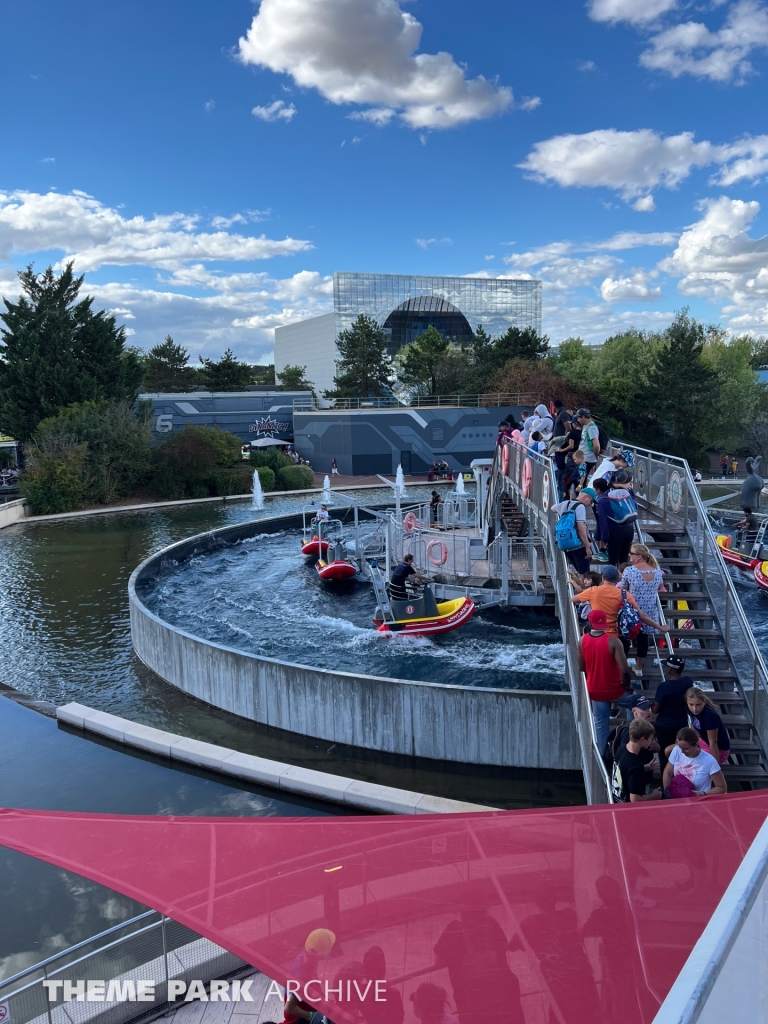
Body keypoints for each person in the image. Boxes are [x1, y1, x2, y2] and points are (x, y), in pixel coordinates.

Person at [577, 608, 638, 754]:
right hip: (615, 689)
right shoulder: (614, 642)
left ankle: (601, 757)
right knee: (637, 702)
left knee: (600, 724)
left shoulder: (582, 641)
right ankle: (629, 735)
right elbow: (625, 669)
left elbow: (581, 667)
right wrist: (627, 685)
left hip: (595, 690)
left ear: (590, 623)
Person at [572, 564, 668, 642]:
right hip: (617, 636)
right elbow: (642, 616)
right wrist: (660, 627)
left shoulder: (593, 590)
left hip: (597, 634)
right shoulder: (624, 594)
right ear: (617, 579)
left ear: (603, 578)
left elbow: (573, 599)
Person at [620, 543, 666, 676]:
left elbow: (623, 590)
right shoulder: (657, 570)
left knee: (625, 637)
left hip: (632, 610)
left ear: (639, 557)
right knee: (643, 639)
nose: (629, 555)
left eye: (632, 553)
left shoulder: (630, 571)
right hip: (650, 610)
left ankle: (622, 667)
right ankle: (639, 667)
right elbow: (660, 586)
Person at [652, 655, 695, 774]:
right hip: (681, 725)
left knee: (664, 757)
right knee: (679, 755)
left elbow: (656, 710)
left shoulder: (663, 686)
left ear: (670, 669)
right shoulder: (688, 682)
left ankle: (665, 785)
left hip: (664, 727)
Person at [663, 727, 727, 797]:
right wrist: (667, 791)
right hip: (678, 799)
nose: (682, 751)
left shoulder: (709, 760)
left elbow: (722, 788)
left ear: (696, 744)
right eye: (680, 747)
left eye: (686, 749)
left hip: (698, 801)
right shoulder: (677, 750)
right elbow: (668, 773)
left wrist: (703, 793)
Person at [593, 469, 638, 567]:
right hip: (629, 529)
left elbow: (603, 522)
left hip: (614, 531)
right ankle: (624, 581)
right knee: (624, 560)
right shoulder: (627, 493)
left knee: (613, 561)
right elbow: (635, 507)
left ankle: (613, 581)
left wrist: (604, 538)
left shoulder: (602, 499)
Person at [611, 719, 663, 803]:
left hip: (617, 802)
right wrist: (654, 796)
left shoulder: (621, 749)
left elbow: (625, 770)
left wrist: (646, 767)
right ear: (642, 739)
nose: (651, 741)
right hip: (628, 810)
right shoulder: (636, 764)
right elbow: (635, 799)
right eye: (650, 738)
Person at [554, 487, 597, 577]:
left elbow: (552, 508)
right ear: (586, 497)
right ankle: (584, 590)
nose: (590, 505)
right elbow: (581, 528)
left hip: (566, 544)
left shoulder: (565, 503)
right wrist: (587, 547)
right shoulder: (580, 507)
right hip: (578, 545)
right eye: (591, 501)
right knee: (584, 574)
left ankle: (578, 588)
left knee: (579, 571)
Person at [685, 687, 730, 764]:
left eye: (698, 705)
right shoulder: (689, 709)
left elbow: (713, 742)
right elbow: (693, 724)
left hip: (718, 749)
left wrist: (715, 765)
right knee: (671, 750)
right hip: (702, 741)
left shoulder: (710, 716)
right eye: (691, 704)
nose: (694, 708)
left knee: (690, 763)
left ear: (704, 702)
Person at [577, 408, 601, 476]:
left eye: (579, 418)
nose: (578, 420)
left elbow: (596, 445)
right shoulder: (585, 426)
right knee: (579, 478)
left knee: (579, 479)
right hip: (583, 457)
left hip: (587, 458)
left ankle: (581, 487)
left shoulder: (591, 428)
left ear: (583, 417)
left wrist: (596, 454)